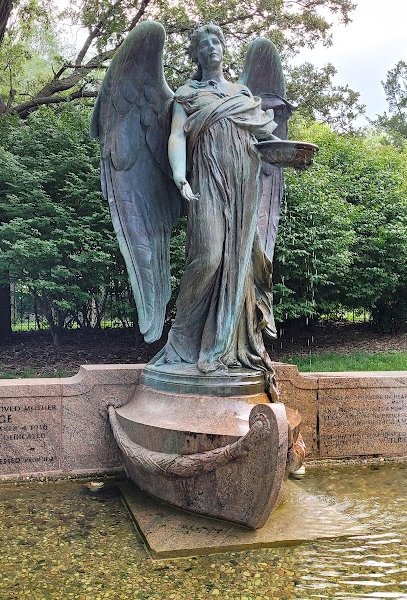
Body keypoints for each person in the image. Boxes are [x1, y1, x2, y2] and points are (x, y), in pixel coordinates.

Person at [151, 24, 279, 385]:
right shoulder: (187, 94)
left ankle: (227, 346)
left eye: (216, 42)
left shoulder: (242, 94)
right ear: (196, 54)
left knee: (239, 261)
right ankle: (181, 342)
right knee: (208, 258)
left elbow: (267, 136)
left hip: (243, 186)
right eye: (203, 44)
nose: (211, 48)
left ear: (224, 49)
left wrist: (290, 151)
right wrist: (180, 176)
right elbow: (177, 135)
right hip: (206, 182)